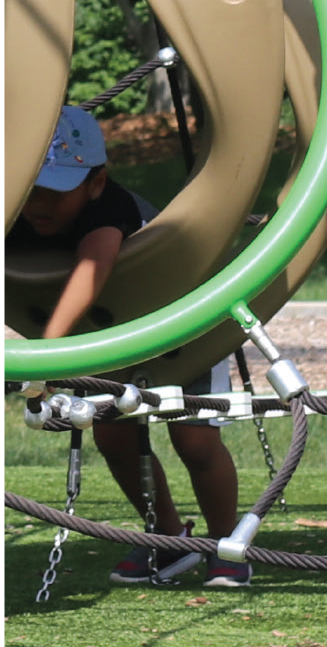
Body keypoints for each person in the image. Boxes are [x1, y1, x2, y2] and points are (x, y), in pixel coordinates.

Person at [8, 106, 245, 586]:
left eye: (55, 191)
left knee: (195, 439)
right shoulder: (15, 212)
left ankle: (228, 545)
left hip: (182, 321)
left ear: (96, 182)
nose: (39, 206)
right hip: (114, 332)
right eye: (29, 189)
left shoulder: (110, 208)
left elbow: (90, 273)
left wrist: (46, 354)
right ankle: (167, 539)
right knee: (114, 435)